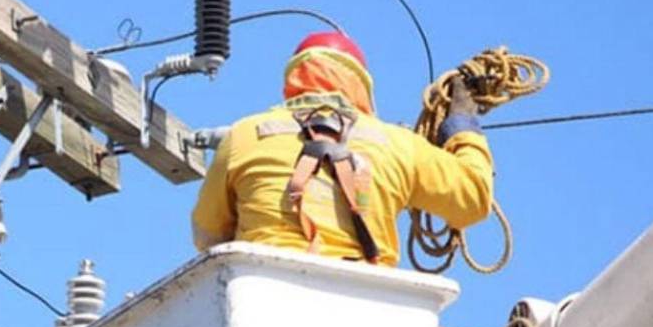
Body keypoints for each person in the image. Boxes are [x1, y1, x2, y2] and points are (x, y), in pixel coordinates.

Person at [191, 32, 493, 266]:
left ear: (293, 78)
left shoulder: (245, 135)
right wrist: (462, 125)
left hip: (262, 292)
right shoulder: (399, 145)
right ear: (362, 85)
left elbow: (208, 234)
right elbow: (474, 197)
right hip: (367, 305)